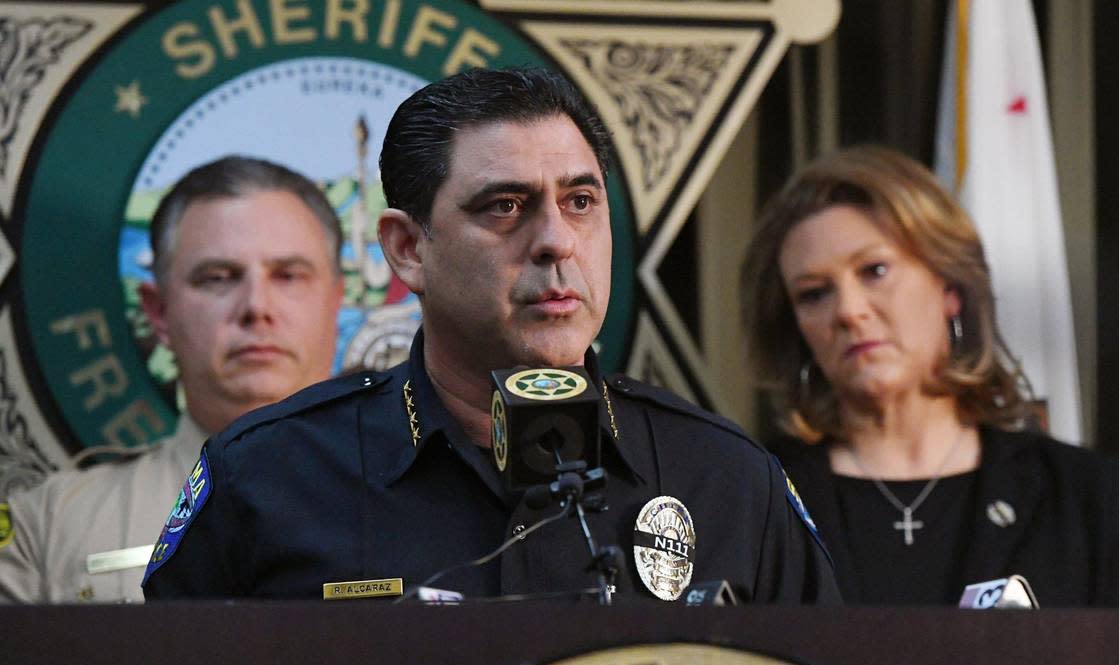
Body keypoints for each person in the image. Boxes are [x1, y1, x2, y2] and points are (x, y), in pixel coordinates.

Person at [142, 67, 839, 604]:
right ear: (409, 248)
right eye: (505, 206)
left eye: (580, 201)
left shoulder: (726, 478)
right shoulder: (267, 477)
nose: (556, 241)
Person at [742, 144, 1119, 606]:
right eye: (814, 294)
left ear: (950, 287)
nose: (849, 311)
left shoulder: (1086, 498)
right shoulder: (759, 500)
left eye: (874, 271)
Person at [0, 156, 344, 603]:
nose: (257, 307)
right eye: (218, 278)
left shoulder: (441, 503)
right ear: (159, 313)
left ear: (337, 300)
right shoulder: (47, 526)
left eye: (288, 276)